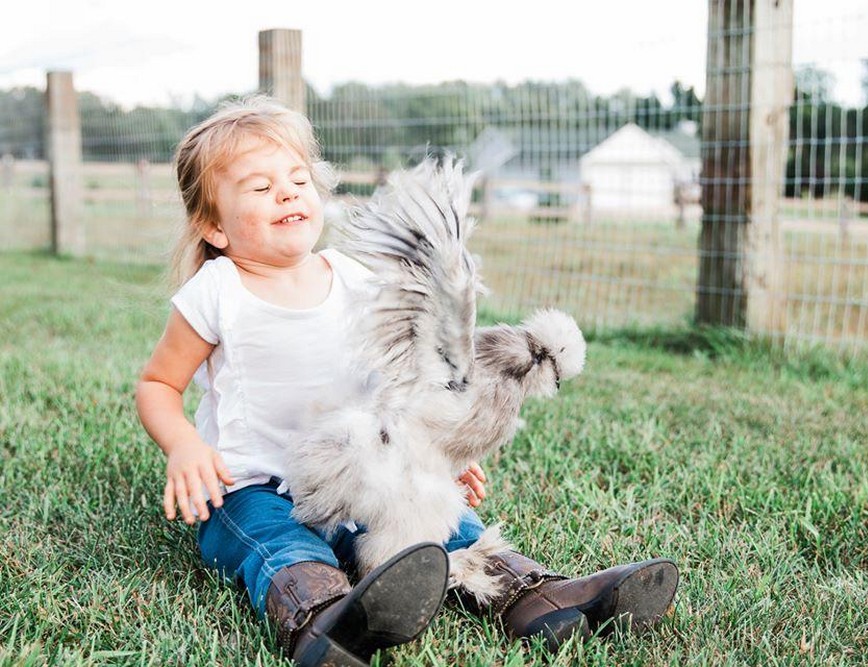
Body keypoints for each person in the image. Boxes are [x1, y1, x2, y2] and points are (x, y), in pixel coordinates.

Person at [136, 95, 678, 667]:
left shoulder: (349, 277)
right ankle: (327, 619)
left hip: (364, 468)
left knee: (446, 522)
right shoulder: (216, 292)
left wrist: (432, 450)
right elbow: (157, 385)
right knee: (281, 547)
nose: (288, 193)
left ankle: (537, 596)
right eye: (260, 186)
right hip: (254, 488)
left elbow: (392, 379)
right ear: (214, 225)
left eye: (298, 178)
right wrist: (185, 446)